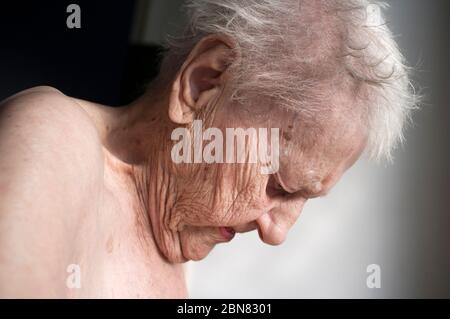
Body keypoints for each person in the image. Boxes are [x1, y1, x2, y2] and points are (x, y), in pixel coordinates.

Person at [0, 0, 417, 298]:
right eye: (279, 184)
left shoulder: (179, 237)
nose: (277, 233)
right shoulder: (54, 133)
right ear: (204, 83)